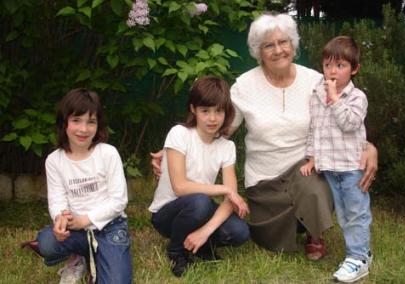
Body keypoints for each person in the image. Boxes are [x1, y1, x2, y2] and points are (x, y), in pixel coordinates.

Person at [151, 13, 378, 260]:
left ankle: (315, 233)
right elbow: (219, 127)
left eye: (284, 42)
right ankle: (292, 224)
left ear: (293, 45)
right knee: (265, 239)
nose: (278, 50)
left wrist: (369, 148)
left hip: (304, 172)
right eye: (269, 45)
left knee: (314, 184)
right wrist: (181, 146)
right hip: (263, 182)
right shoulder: (244, 86)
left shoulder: (316, 82)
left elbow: (340, 123)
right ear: (258, 52)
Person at [22, 88, 132, 284]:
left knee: (117, 280)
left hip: (109, 227)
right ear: (64, 123)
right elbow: (57, 199)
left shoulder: (108, 153)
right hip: (76, 230)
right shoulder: (54, 160)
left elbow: (119, 201)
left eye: (91, 122)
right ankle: (79, 257)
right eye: (76, 121)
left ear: (98, 125)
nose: (84, 129)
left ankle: (103, 256)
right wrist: (60, 219)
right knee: (47, 243)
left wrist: (87, 219)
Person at [148, 76, 250, 277]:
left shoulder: (227, 146)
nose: (212, 118)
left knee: (239, 232)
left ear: (226, 112)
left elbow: (230, 201)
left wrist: (206, 231)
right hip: (168, 213)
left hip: (200, 210)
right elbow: (181, 187)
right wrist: (225, 189)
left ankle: (199, 244)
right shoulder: (179, 134)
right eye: (205, 111)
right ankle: (176, 251)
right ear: (193, 109)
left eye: (218, 111)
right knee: (200, 202)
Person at [300, 36, 372, 282]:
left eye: (340, 66)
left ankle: (358, 258)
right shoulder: (316, 94)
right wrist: (311, 158)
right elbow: (315, 129)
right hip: (329, 168)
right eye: (328, 64)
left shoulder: (356, 98)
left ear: (354, 69)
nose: (332, 71)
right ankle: (360, 252)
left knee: (356, 212)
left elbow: (349, 123)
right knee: (343, 213)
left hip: (351, 167)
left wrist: (335, 99)